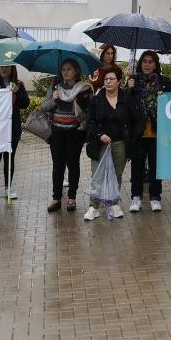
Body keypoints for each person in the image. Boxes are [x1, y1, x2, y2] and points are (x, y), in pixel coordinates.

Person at [84, 66, 142, 221]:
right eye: (106, 79)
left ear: (119, 82)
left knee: (116, 175)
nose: (108, 82)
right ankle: (93, 207)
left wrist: (132, 137)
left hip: (120, 143)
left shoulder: (127, 98)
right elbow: (89, 122)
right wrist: (99, 134)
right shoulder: (97, 99)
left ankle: (113, 203)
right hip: (100, 143)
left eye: (112, 79)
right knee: (98, 175)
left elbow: (138, 119)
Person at [42, 58, 91, 213]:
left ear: (76, 71)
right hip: (57, 132)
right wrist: (54, 99)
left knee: (73, 164)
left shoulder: (83, 89)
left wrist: (82, 128)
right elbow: (44, 107)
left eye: (69, 69)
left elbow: (90, 112)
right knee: (57, 166)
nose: (66, 72)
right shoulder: (56, 87)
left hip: (74, 133)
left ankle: (72, 198)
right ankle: (56, 198)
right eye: (63, 69)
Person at [128, 50, 171, 213]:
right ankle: (136, 197)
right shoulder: (133, 82)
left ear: (156, 64)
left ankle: (155, 196)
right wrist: (129, 89)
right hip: (139, 132)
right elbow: (128, 105)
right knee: (137, 166)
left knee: (155, 166)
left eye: (150, 61)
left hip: (157, 131)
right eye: (145, 61)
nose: (147, 65)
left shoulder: (164, 82)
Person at [0, 65, 29, 202]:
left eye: (7, 67)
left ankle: (8, 187)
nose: (4, 69)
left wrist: (17, 92)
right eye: (1, 67)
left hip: (13, 128)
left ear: (12, 68)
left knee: (9, 158)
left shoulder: (18, 84)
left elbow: (25, 104)